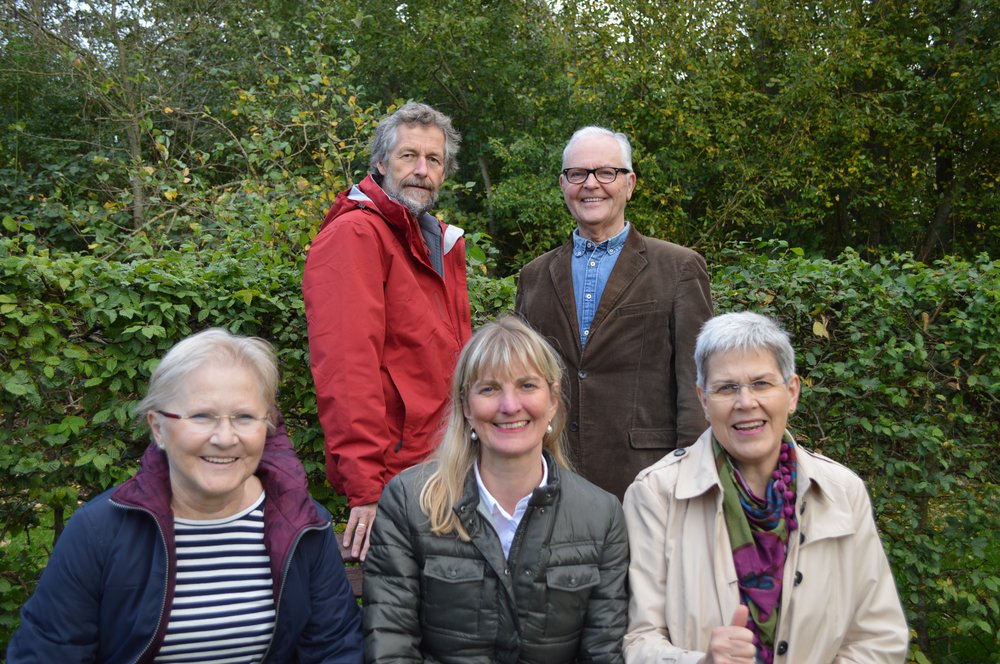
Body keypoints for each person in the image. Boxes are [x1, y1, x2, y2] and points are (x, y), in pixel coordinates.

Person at [8, 329, 363, 663]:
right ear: (158, 427)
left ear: (266, 426)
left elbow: (336, 647)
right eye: (202, 416)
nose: (225, 438)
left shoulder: (301, 522)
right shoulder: (99, 531)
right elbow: (49, 652)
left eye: (243, 417)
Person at [623, 312, 908, 663]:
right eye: (727, 388)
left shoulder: (843, 492)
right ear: (703, 401)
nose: (746, 402)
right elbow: (638, 639)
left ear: (791, 393)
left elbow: (878, 636)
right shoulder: (656, 494)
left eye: (761, 384)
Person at [363, 316, 629, 663]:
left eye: (527, 386)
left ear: (553, 400)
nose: (509, 406)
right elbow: (391, 644)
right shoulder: (411, 501)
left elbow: (603, 653)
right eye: (489, 389)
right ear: (466, 407)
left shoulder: (601, 515)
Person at [303, 102, 472, 560]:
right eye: (408, 157)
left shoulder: (439, 240)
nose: (421, 170)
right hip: (394, 479)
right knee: (399, 620)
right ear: (381, 163)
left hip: (445, 465)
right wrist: (365, 487)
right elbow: (345, 368)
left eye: (433, 160)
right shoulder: (356, 235)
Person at [516, 125, 712, 501]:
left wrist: (692, 473)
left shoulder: (679, 268)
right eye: (578, 174)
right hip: (552, 475)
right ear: (563, 184)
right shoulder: (534, 276)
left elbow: (696, 380)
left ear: (630, 184)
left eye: (606, 172)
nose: (591, 184)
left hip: (647, 479)